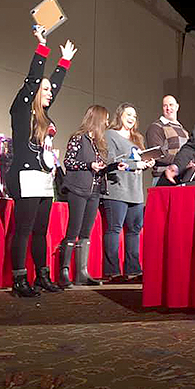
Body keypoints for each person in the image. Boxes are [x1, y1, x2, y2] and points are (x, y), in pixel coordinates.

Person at [6, 25, 77, 297]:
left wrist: (64, 63)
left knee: (41, 230)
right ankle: (19, 279)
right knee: (23, 229)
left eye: (50, 89)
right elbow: (34, 80)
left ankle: (42, 276)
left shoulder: (44, 114)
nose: (50, 92)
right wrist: (42, 48)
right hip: (25, 176)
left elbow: (52, 87)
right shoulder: (21, 110)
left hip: (44, 177)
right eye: (45, 89)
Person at [58, 105, 127, 288]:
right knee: (73, 230)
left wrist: (113, 166)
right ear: (96, 119)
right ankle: (64, 271)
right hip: (78, 189)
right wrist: (89, 165)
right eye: (104, 118)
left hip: (94, 192)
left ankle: (82, 273)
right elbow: (69, 162)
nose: (106, 122)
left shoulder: (99, 142)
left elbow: (100, 166)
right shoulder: (78, 138)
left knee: (85, 232)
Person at [101, 103, 155, 283]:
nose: (132, 118)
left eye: (134, 115)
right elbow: (111, 161)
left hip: (135, 191)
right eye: (128, 114)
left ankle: (133, 270)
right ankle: (112, 271)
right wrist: (135, 165)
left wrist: (147, 163)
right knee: (114, 229)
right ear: (120, 116)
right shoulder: (111, 135)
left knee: (134, 230)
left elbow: (138, 161)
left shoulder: (137, 138)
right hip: (117, 190)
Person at [145, 95, 195, 186]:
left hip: (182, 179)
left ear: (177, 107)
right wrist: (181, 162)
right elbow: (157, 154)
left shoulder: (184, 131)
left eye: (171, 105)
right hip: (163, 178)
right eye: (165, 106)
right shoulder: (156, 127)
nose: (168, 108)